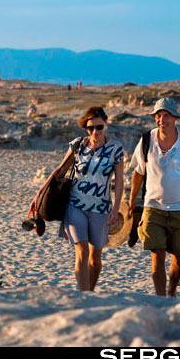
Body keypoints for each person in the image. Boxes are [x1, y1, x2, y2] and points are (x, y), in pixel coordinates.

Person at [30, 106, 124, 292]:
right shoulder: (78, 145)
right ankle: (84, 295)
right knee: (82, 250)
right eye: (91, 128)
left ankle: (90, 291)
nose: (95, 132)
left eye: (99, 127)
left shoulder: (115, 149)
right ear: (86, 128)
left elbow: (119, 182)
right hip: (75, 206)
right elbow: (59, 171)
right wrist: (39, 194)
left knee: (95, 258)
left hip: (101, 208)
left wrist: (116, 208)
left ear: (105, 124)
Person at [128, 97, 180, 297]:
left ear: (175, 118)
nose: (162, 120)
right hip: (153, 207)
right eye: (158, 116)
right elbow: (138, 172)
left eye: (166, 116)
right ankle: (160, 297)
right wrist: (132, 200)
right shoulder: (146, 140)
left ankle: (171, 291)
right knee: (157, 254)